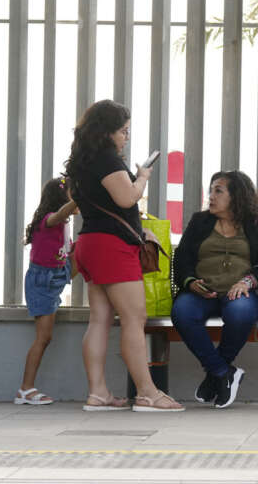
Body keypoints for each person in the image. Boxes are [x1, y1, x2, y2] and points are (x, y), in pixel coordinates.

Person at [65, 99, 183, 412]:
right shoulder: (107, 160)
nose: (125, 138)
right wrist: (142, 176)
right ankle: (147, 393)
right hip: (111, 247)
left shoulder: (82, 163)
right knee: (134, 319)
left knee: (100, 319)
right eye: (123, 131)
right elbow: (126, 197)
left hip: (90, 243)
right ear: (107, 132)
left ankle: (99, 392)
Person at [171, 170, 258, 408]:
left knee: (240, 313)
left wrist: (247, 282)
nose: (211, 196)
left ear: (236, 196)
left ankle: (216, 376)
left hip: (241, 292)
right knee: (182, 313)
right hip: (203, 292)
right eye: (211, 190)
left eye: (218, 191)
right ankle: (223, 372)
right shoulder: (199, 221)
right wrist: (191, 282)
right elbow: (181, 259)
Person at [15, 177, 78, 405]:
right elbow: (60, 214)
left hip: (57, 275)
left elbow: (68, 255)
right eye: (73, 193)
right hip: (43, 280)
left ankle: (26, 388)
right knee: (43, 337)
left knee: (87, 248)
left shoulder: (64, 226)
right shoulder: (48, 220)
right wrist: (81, 195)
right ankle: (25, 389)